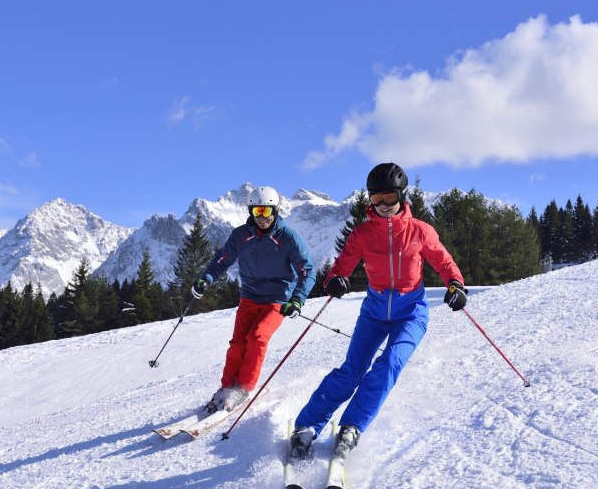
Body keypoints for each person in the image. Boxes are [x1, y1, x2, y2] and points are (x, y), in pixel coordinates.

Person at [290, 162, 467, 460]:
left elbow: (444, 262)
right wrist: (335, 280)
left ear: (402, 196)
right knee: (351, 372)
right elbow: (341, 267)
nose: (383, 205)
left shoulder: (420, 231)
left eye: (389, 198)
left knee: (388, 365)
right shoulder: (361, 234)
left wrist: (455, 284)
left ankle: (352, 426)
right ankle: (307, 426)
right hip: (373, 311)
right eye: (376, 199)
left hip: (411, 311)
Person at [192, 185, 315, 413]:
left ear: (276, 210)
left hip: (277, 300)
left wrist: (297, 299)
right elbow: (222, 260)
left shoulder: (288, 238)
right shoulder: (241, 235)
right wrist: (206, 279)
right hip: (249, 296)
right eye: (257, 212)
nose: (262, 218)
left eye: (266, 212)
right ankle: (226, 387)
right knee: (238, 343)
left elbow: (308, 270)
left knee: (257, 338)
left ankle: (243, 388)